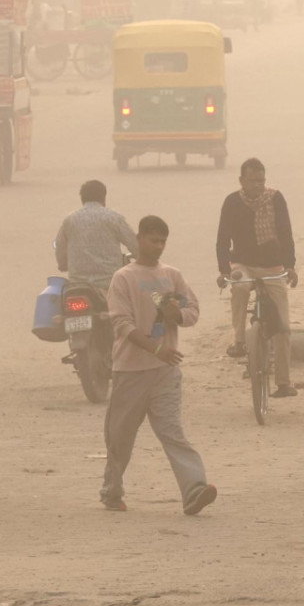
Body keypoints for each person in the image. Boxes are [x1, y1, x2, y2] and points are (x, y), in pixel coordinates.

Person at [100, 215, 216, 516]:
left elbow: (192, 312)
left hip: (165, 373)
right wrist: (157, 348)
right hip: (130, 371)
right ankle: (112, 490)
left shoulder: (172, 276)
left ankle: (194, 489)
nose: (158, 246)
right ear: (139, 239)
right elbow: (122, 325)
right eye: (153, 240)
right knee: (120, 437)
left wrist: (176, 315)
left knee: (172, 432)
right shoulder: (123, 278)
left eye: (163, 241)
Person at [215, 157, 299, 399]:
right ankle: (239, 340)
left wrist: (290, 266)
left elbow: (286, 233)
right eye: (253, 181)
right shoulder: (232, 202)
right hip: (243, 263)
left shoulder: (275, 199)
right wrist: (223, 271)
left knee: (283, 327)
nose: (258, 185)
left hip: (273, 266)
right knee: (239, 286)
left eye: (261, 180)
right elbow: (222, 239)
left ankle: (283, 382)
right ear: (242, 181)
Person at [55, 180, 138, 291]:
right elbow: (134, 244)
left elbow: (60, 247)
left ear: (82, 199)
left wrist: (63, 264)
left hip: (78, 285)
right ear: (103, 198)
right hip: (110, 284)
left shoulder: (69, 220)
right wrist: (140, 257)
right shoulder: (114, 218)